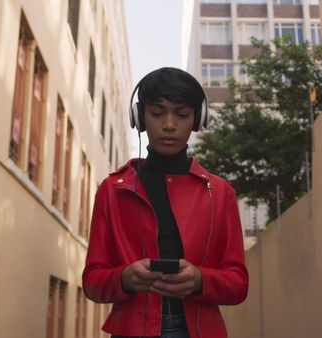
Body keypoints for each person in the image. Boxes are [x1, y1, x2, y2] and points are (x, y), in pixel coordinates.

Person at [83, 67, 248, 338]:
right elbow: (91, 282)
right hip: (132, 330)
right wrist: (124, 278)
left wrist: (199, 280)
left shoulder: (220, 192)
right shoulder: (112, 190)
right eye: (157, 113)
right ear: (140, 118)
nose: (169, 124)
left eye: (182, 114)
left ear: (198, 120)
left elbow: (239, 284)